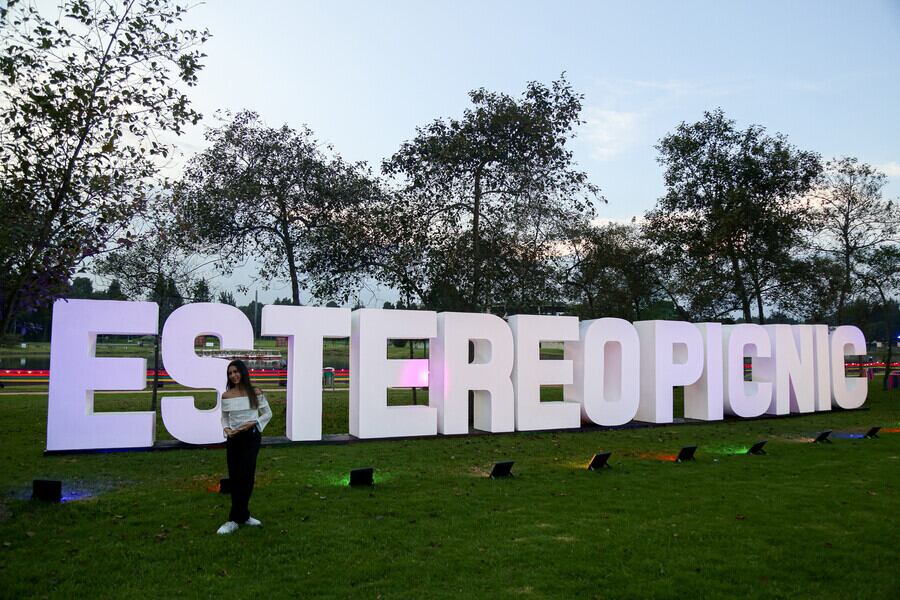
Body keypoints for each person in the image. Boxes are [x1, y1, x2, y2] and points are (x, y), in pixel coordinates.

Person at [216, 359, 272, 535]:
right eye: (230, 373)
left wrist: (253, 423)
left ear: (243, 372)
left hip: (251, 437)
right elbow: (224, 417)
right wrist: (226, 429)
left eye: (236, 371)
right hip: (234, 438)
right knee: (235, 477)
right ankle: (244, 515)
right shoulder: (226, 396)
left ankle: (233, 519)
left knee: (246, 476)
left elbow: (268, 414)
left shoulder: (255, 392)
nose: (233, 375)